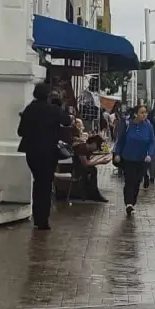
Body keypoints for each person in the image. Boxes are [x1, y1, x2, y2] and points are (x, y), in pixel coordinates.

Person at [17, 82, 72, 230]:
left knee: (38, 182)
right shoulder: (53, 110)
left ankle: (37, 216)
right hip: (48, 152)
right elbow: (67, 121)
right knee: (45, 184)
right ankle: (42, 219)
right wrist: (59, 106)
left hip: (32, 152)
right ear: (48, 95)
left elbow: (20, 132)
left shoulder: (30, 110)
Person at [113, 104, 155, 215]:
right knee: (130, 180)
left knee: (137, 181)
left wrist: (150, 155)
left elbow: (152, 141)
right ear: (136, 114)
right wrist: (117, 153)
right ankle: (128, 203)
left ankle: (133, 202)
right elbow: (120, 139)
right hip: (128, 158)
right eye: (142, 112)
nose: (144, 115)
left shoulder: (148, 126)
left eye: (145, 112)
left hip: (141, 159)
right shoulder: (128, 124)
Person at [72, 134, 112, 202]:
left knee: (93, 170)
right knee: (93, 170)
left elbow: (87, 162)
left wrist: (99, 161)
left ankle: (92, 193)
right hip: (76, 169)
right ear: (93, 143)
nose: (96, 149)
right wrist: (100, 162)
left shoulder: (86, 148)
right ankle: (94, 194)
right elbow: (86, 164)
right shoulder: (82, 148)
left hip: (79, 167)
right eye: (97, 146)